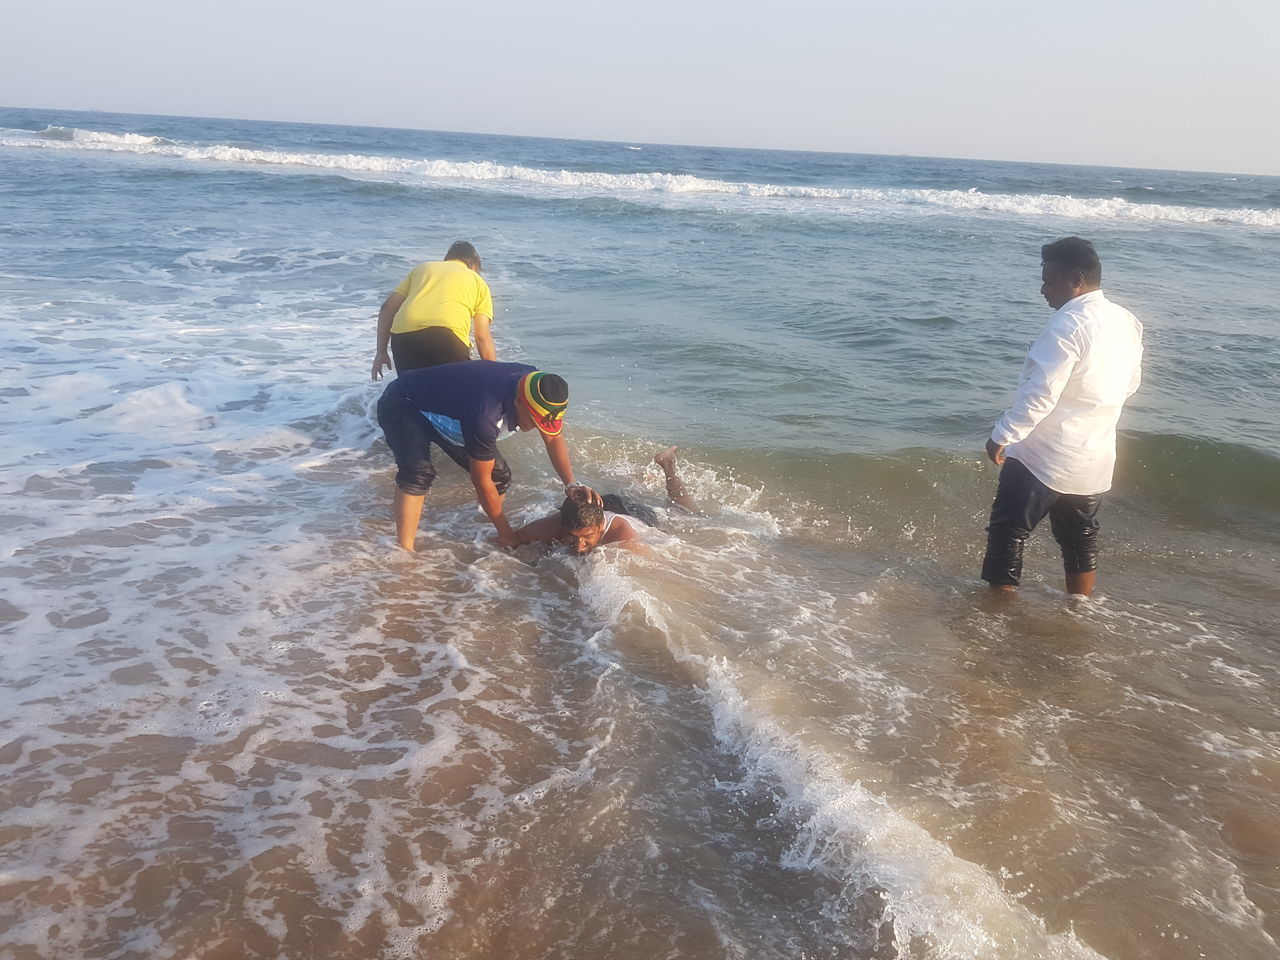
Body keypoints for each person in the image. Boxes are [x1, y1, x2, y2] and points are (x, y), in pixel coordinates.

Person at [982, 237, 1143, 598]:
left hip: (1043, 454)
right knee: (1079, 540)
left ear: (1076, 279)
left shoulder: (1065, 326)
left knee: (1008, 534)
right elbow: (1130, 383)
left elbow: (1039, 395)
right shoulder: (1126, 321)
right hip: (1094, 457)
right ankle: (1080, 610)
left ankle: (993, 620)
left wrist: (1003, 433)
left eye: (1049, 280)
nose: (1043, 289)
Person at [376, 360, 597, 551]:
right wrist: (507, 533)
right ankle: (404, 552)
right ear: (518, 401)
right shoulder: (485, 415)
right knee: (418, 472)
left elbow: (553, 438)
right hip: (403, 404)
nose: (535, 427)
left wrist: (571, 483)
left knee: (499, 475)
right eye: (533, 419)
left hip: (453, 414)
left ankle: (485, 522)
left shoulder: (541, 389)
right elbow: (481, 482)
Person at [515, 446, 699, 556]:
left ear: (601, 528)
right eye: (573, 538)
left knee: (684, 513)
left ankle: (667, 464)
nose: (579, 547)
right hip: (597, 504)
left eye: (587, 538)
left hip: (632, 514)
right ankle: (642, 478)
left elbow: (656, 569)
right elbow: (510, 539)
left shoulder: (624, 536)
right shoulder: (559, 525)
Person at [371, 240, 495, 379]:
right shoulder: (478, 281)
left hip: (403, 338)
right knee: (455, 396)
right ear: (473, 266)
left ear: (446, 259)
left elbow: (387, 308)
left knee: (414, 394)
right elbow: (482, 337)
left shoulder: (422, 268)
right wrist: (494, 376)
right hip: (447, 338)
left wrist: (381, 352)